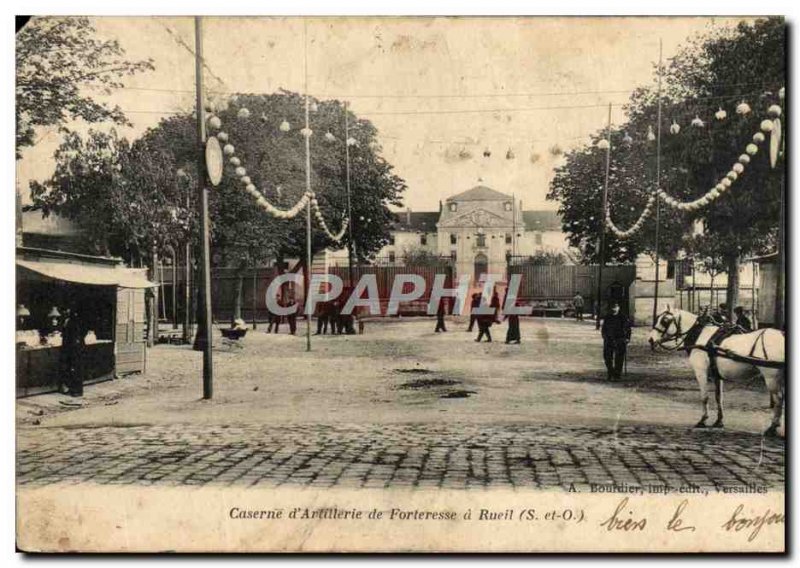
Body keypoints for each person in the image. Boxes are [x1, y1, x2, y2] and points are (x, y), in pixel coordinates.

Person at [59, 304, 86, 397]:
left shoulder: (74, 321)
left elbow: (77, 335)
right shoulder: (67, 321)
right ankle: (72, 389)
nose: (64, 312)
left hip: (75, 349)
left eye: (66, 310)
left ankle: (77, 391)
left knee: (76, 370)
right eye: (63, 311)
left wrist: (76, 344)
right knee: (71, 369)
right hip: (70, 349)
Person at [601, 301, 631, 381]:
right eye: (613, 307)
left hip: (620, 339)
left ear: (619, 308)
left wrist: (627, 338)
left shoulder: (623, 317)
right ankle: (610, 372)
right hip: (609, 340)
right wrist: (604, 337)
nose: (614, 309)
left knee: (619, 358)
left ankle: (617, 375)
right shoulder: (608, 317)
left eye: (616, 307)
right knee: (607, 357)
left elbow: (628, 329)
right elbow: (604, 329)